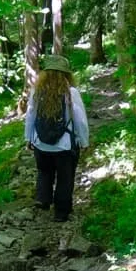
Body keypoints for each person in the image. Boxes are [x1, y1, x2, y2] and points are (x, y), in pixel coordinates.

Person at [25, 54, 89, 222]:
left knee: (44, 171)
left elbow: (30, 115)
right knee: (65, 178)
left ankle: (43, 198)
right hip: (65, 145)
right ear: (66, 74)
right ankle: (61, 213)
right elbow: (80, 120)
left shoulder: (37, 91)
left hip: (41, 142)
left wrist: (28, 138)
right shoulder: (71, 92)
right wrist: (84, 141)